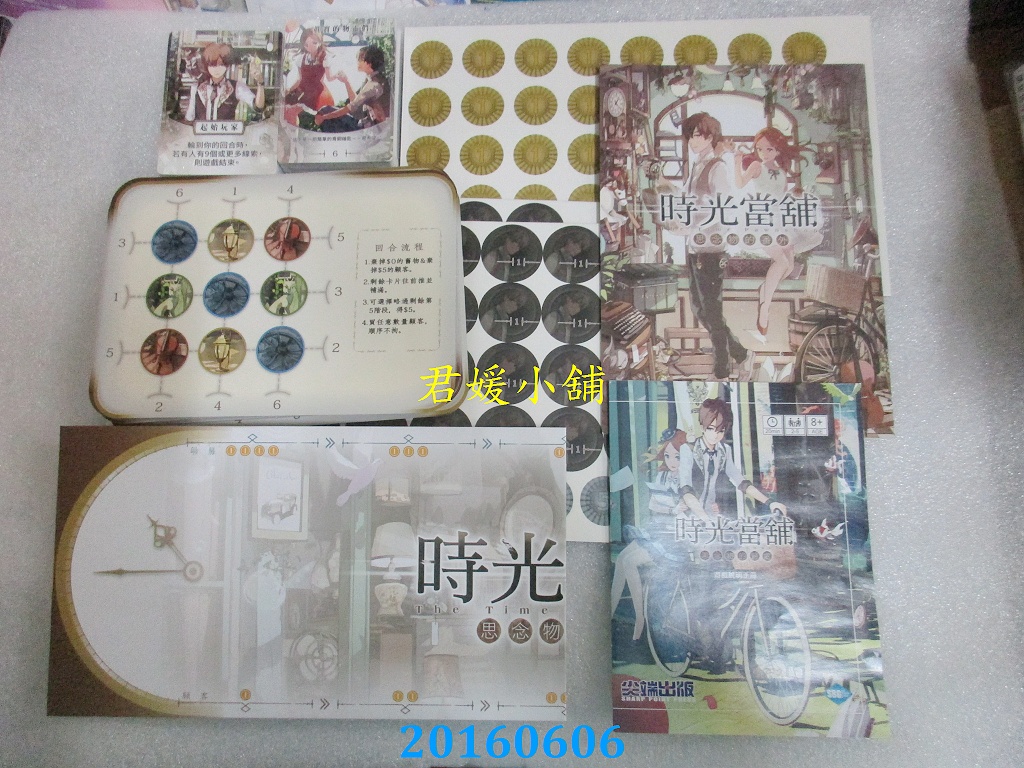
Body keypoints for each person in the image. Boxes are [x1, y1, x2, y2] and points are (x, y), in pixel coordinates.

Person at [728, 127, 822, 339]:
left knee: (788, 265)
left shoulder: (781, 171)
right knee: (781, 262)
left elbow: (781, 196)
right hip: (763, 221)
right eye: (760, 149)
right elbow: (740, 184)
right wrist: (736, 161)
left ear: (778, 150)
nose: (763, 153)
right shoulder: (756, 166)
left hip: (780, 221)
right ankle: (764, 309)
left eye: (769, 149)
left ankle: (764, 291)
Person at [680, 113, 754, 380]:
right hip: (695, 248)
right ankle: (741, 354)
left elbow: (725, 210)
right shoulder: (696, 166)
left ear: (710, 137)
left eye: (697, 136)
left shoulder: (717, 167)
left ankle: (722, 369)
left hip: (711, 250)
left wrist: (697, 228)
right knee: (700, 309)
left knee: (712, 310)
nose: (692, 141)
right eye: (689, 136)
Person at [314, 45, 390, 132]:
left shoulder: (373, 85)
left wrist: (324, 117)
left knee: (325, 112)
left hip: (368, 131)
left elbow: (350, 108)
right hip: (364, 125)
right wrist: (346, 82)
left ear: (369, 63)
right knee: (326, 111)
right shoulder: (371, 79)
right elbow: (357, 106)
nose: (358, 62)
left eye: (361, 59)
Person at [185, 42, 265, 123]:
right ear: (207, 66)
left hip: (227, 131)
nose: (217, 69)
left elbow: (258, 107)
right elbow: (189, 117)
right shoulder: (197, 87)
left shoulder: (236, 86)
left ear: (227, 65)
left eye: (221, 64)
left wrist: (260, 83)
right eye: (212, 65)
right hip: (201, 131)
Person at [285, 28, 329, 113]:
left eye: (314, 43)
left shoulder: (324, 58)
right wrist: (290, 89)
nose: (310, 47)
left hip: (316, 93)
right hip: (302, 90)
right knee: (289, 106)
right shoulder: (301, 59)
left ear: (320, 42)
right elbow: (300, 79)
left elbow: (326, 78)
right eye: (306, 44)